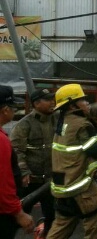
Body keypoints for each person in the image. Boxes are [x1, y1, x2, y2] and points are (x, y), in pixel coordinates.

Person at [46, 83, 97, 239]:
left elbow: (89, 111)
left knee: (60, 228)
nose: (87, 103)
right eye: (83, 100)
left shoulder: (63, 122)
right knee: (95, 228)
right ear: (72, 105)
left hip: (63, 188)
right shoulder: (82, 125)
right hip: (82, 188)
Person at [9, 88, 57, 237]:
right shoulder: (25, 124)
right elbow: (16, 150)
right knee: (18, 219)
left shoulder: (58, 119)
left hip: (50, 181)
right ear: (36, 103)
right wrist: (24, 172)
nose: (52, 102)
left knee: (53, 218)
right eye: (48, 99)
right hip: (30, 182)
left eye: (52, 99)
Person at [0, 85, 35, 239]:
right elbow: (3, 182)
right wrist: (18, 213)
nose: (15, 112)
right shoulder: (1, 140)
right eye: (14, 108)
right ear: (5, 110)